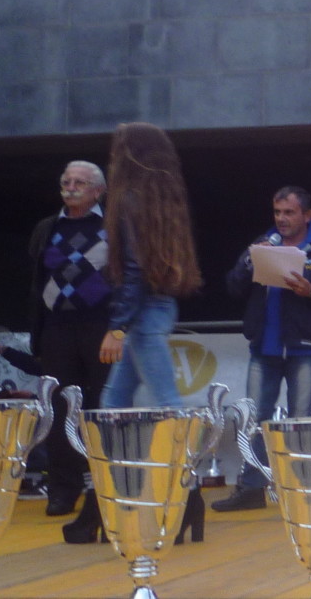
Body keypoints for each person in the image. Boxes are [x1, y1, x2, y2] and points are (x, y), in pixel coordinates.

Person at [212, 185, 311, 510]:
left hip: (305, 348)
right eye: (277, 212)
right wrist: (249, 261)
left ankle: (299, 489)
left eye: (289, 212)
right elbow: (232, 287)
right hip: (264, 348)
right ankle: (251, 489)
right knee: (254, 420)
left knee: (299, 420)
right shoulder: (263, 244)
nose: (282, 219)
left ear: (307, 215)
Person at [26, 161, 111, 519]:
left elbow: (128, 280)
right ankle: (63, 489)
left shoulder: (114, 227)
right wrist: (39, 332)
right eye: (66, 181)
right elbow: (35, 278)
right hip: (57, 329)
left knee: (102, 407)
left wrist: (119, 329)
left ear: (97, 191)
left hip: (101, 328)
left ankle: (106, 487)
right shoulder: (47, 228)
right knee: (59, 409)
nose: (71, 187)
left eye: (79, 182)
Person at [98, 122, 202, 408]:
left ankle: (189, 453)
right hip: (159, 307)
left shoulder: (129, 199)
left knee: (167, 402)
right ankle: (116, 454)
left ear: (129, 153)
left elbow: (135, 269)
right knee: (114, 400)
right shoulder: (163, 202)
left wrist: (117, 328)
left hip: (142, 314)